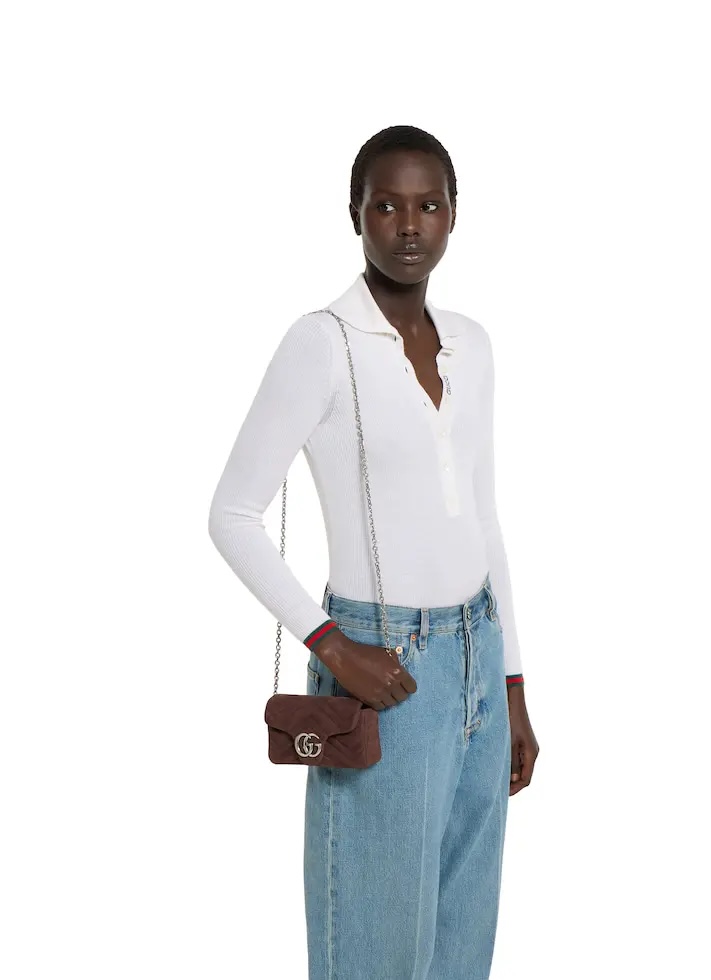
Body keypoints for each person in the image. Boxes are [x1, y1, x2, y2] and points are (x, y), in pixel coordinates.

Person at [207, 124, 539, 980]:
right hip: (383, 664)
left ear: (455, 214)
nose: (409, 225)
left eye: (429, 205)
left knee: (461, 946)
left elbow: (485, 517)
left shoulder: (472, 343)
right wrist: (333, 646)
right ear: (354, 214)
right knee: (374, 952)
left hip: (478, 656)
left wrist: (511, 686)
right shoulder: (322, 343)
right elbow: (232, 514)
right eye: (386, 205)